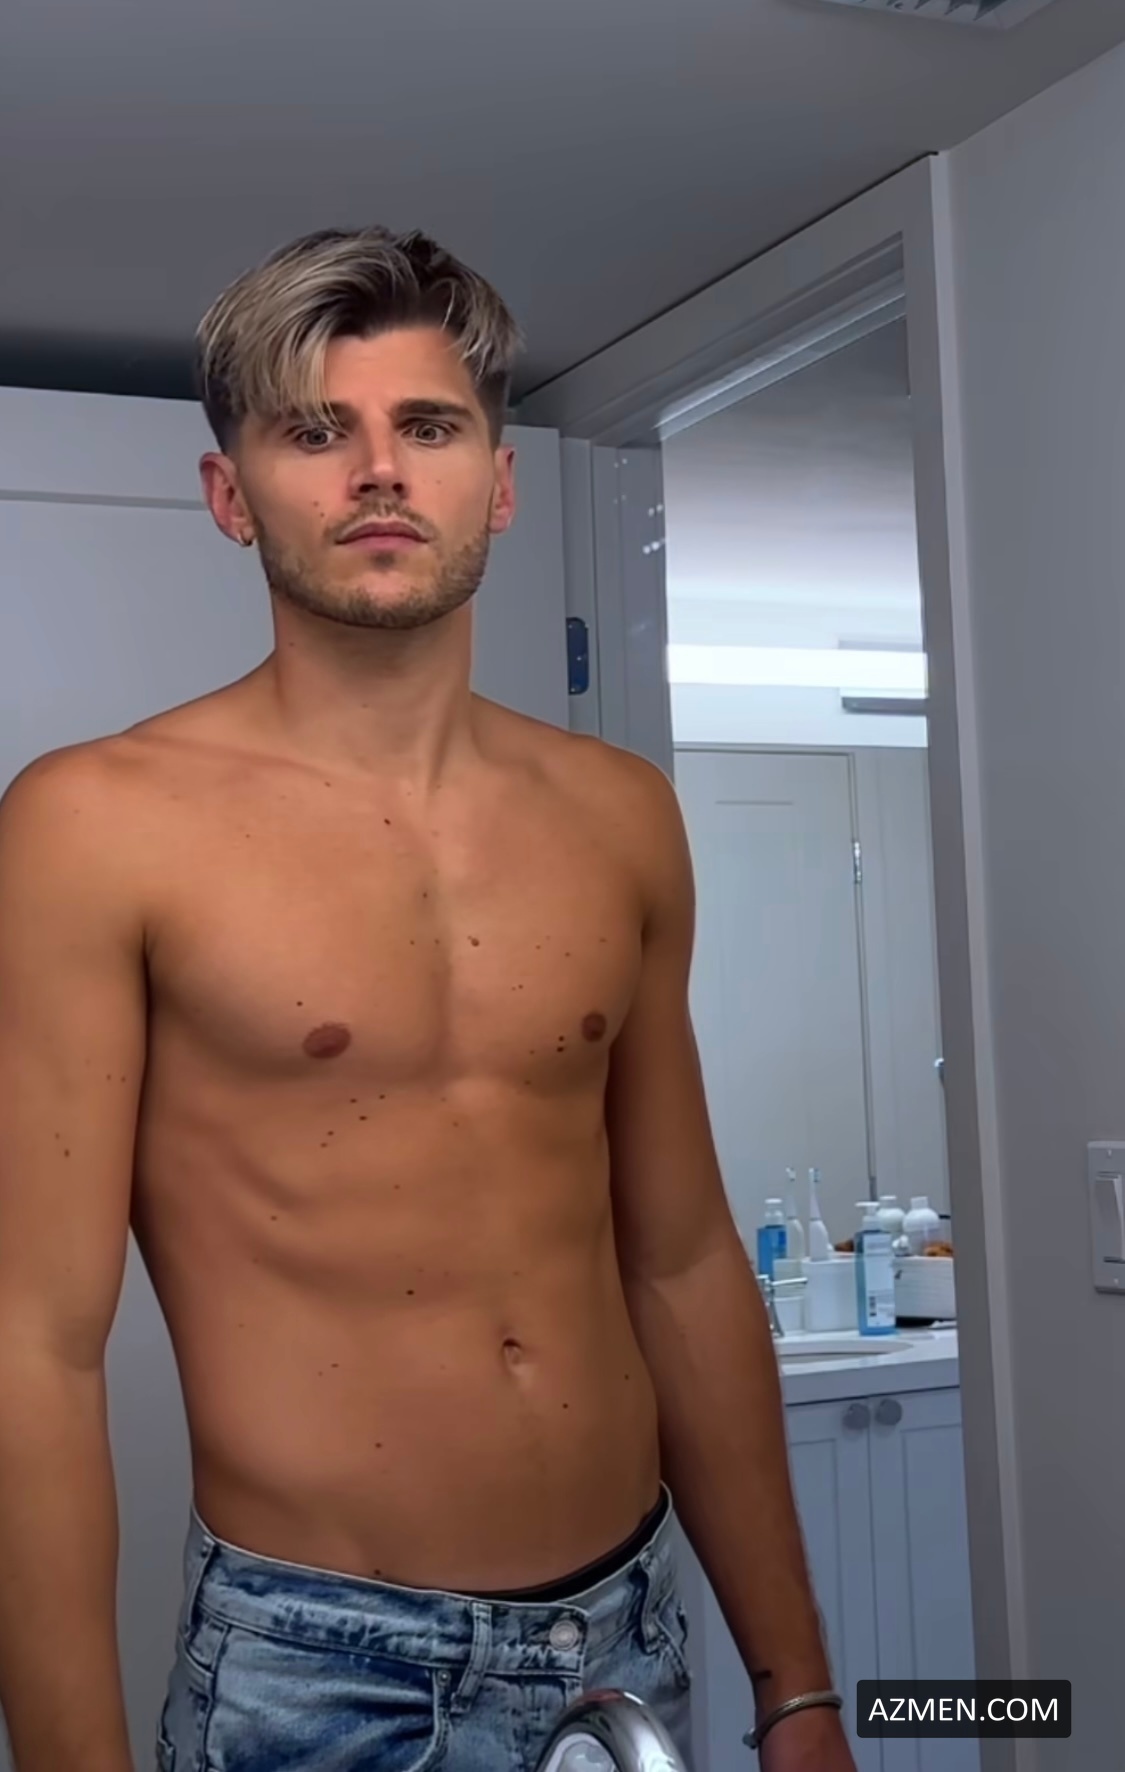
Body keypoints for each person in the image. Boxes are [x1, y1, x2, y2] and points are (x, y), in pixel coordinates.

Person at [0, 225, 857, 1772]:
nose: (379, 471)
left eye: (429, 427)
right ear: (230, 495)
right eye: (314, 431)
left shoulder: (618, 816)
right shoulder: (95, 826)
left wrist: (793, 1686)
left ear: (499, 483)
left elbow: (678, 1261)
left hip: (626, 1639)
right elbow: (34, 1349)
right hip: (318, 1669)